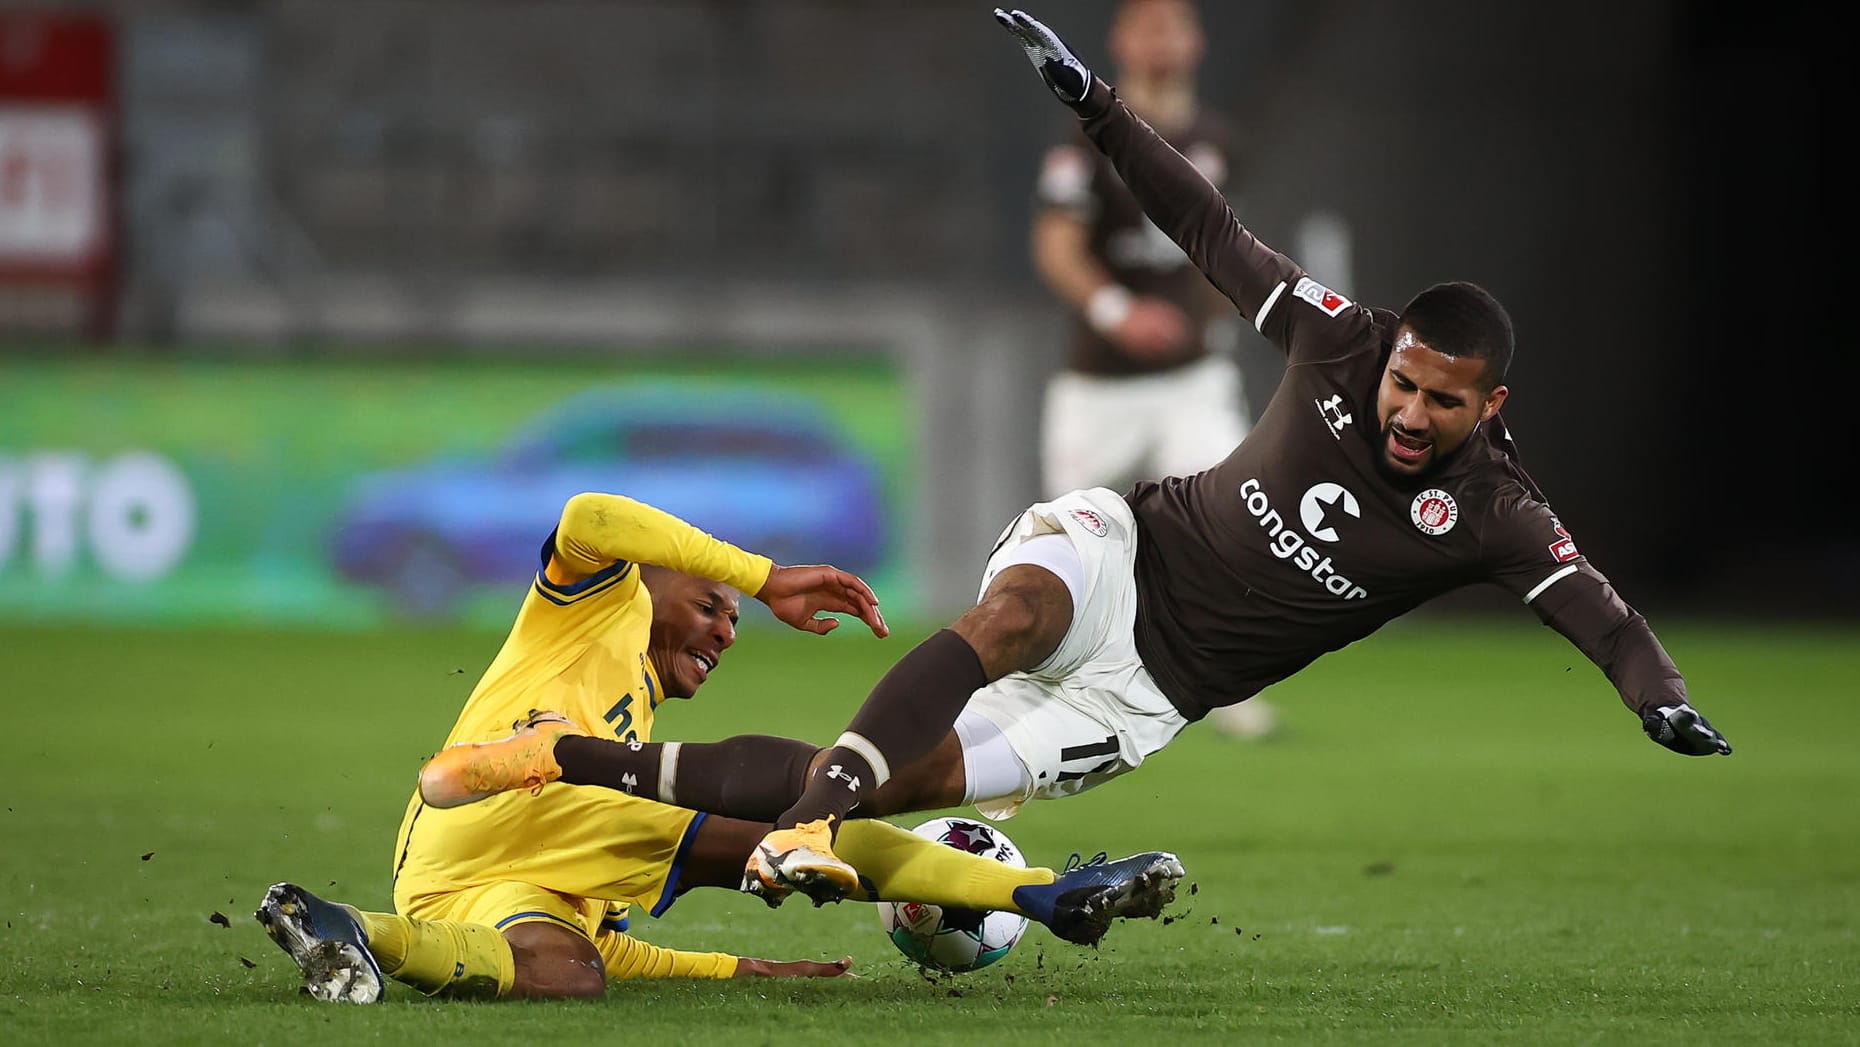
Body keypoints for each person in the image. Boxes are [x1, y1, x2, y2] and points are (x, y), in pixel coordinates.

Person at [418, 8, 1733, 912]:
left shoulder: (1497, 508)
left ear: (1485, 402)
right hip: (1129, 548)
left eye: (1439, 402)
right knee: (1006, 612)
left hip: (1155, 689)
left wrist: (1656, 693)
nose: (1405, 409)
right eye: (1404, 382)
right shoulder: (1344, 337)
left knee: (916, 772)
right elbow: (1210, 227)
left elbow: (1594, 604)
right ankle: (810, 830)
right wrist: (1097, 107)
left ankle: (562, 759)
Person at [255, 491, 1184, 1003]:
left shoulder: (640, 715)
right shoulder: (590, 605)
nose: (728, 629)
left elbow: (621, 950)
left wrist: (735, 968)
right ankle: (1039, 892)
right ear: (656, 581)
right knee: (791, 801)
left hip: (484, 883)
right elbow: (588, 516)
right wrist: (761, 572)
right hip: (480, 814)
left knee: (576, 970)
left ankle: (355, 933)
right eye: (711, 605)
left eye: (735, 618)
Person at [1029, 0, 1278, 741]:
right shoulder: (1082, 133)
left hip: (1191, 380)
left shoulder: (1218, 141)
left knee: (1228, 524)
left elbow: (1229, 244)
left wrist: (1219, 310)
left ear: (1196, 42)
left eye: (1175, 26)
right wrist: (1116, 311)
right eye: (1149, 26)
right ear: (1121, 41)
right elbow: (1055, 244)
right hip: (1098, 381)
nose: (1162, 41)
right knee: (1068, 541)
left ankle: (1226, 686)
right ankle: (1050, 681)